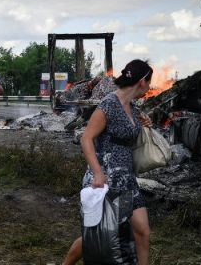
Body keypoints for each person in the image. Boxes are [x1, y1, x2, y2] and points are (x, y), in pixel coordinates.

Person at [63, 59, 153, 265]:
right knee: (97, 234)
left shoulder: (133, 107)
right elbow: (86, 138)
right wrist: (97, 173)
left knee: (142, 231)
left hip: (127, 178)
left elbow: (130, 132)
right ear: (142, 82)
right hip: (105, 179)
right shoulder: (108, 104)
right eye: (149, 83)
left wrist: (145, 123)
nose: (149, 88)